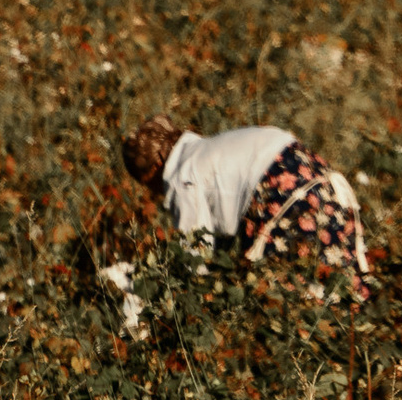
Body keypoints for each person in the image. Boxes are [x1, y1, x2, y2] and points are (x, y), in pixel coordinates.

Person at [122, 112, 368, 297]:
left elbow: (195, 250)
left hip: (281, 191)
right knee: (340, 278)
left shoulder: (183, 174)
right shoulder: (205, 150)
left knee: (278, 290)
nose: (153, 191)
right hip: (316, 173)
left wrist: (188, 295)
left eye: (146, 182)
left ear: (156, 165)